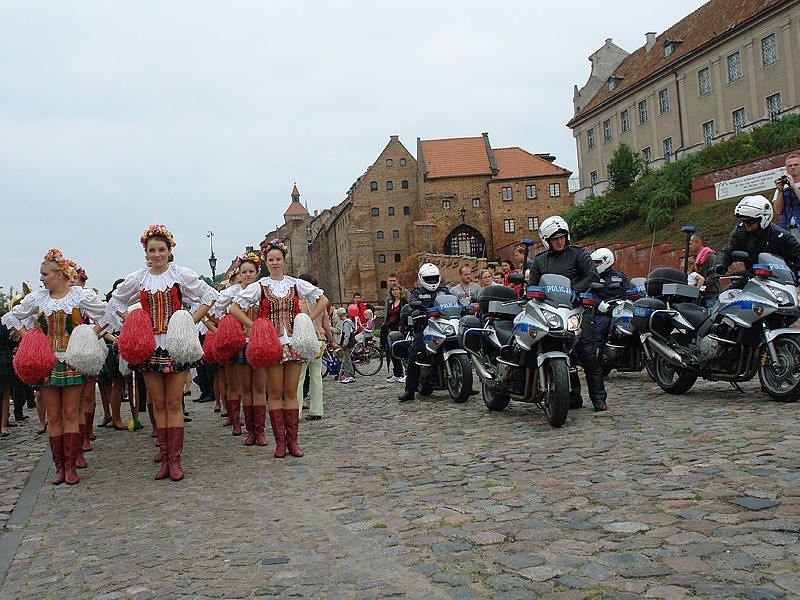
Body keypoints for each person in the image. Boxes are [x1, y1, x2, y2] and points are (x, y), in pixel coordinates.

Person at [105, 225, 217, 481]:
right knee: (158, 403)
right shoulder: (139, 278)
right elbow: (116, 302)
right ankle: (165, 457)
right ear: (146, 253)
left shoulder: (180, 275)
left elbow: (208, 295)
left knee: (174, 402)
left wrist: (189, 320)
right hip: (150, 346)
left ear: (169, 251)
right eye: (152, 250)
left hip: (175, 344)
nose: (157, 254)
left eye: (161, 249)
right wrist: (135, 321)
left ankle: (175, 461)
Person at [2, 249, 110, 484]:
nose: (41, 279)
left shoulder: (79, 296)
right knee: (54, 415)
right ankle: (59, 467)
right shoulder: (38, 299)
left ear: (60, 274)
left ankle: (71, 466)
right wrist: (29, 338)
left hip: (72, 360)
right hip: (47, 362)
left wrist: (88, 336)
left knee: (71, 412)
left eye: (45, 274)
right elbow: (12, 317)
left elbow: (108, 314)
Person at [230, 238, 328, 458]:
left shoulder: (295, 284)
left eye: (278, 259)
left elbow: (323, 300)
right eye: (270, 259)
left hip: (293, 343)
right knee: (274, 392)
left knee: (291, 392)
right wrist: (255, 326)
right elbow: (235, 308)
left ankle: (292, 441)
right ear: (265, 261)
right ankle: (280, 442)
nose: (275, 263)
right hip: (271, 344)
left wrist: (306, 319)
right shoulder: (260, 286)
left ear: (284, 260)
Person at [530, 217, 608, 412]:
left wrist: (574, 291)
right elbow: (533, 286)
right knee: (561, 353)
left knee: (588, 354)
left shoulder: (578, 254)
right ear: (546, 240)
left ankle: (599, 398)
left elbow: (592, 276)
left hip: (577, 310)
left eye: (562, 236)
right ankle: (572, 396)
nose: (559, 241)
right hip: (552, 312)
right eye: (555, 238)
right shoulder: (540, 261)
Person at [713, 195, 800, 280]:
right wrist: (720, 265)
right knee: (726, 294)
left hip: (779, 283)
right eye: (744, 221)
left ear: (764, 219)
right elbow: (728, 250)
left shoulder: (781, 237)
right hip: (752, 279)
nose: (746, 225)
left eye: (750, 221)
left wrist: (792, 277)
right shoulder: (740, 232)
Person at [398, 263, 450, 403]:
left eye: (434, 278)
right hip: (425, 327)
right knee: (414, 354)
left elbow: (454, 301)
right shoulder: (417, 293)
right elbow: (411, 304)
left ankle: (465, 381)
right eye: (429, 278)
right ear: (422, 279)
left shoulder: (444, 291)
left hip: (445, 325)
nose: (432, 281)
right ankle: (409, 390)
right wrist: (414, 311)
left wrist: (463, 306)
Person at [296, 273, 332, 420]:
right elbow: (326, 324)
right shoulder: (318, 302)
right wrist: (330, 339)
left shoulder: (298, 302)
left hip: (303, 340)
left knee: (299, 377)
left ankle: (296, 411)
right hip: (319, 339)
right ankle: (316, 410)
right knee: (316, 376)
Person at [590, 248, 629, 352]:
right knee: (601, 328)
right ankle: (597, 360)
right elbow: (590, 293)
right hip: (603, 312)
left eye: (597, 262)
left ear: (606, 261)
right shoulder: (593, 277)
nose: (595, 265)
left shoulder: (620, 276)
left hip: (621, 310)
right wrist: (599, 304)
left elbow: (628, 292)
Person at [773, 154, 800, 241]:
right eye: (790, 166)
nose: (793, 167)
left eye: (796, 165)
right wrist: (780, 191)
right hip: (787, 230)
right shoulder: (782, 188)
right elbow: (778, 211)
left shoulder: (793, 186)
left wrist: (794, 187)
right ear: (786, 169)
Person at [383, 283, 407, 383]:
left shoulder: (403, 302)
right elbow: (388, 315)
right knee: (393, 352)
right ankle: (397, 372)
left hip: (400, 329)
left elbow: (403, 315)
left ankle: (406, 372)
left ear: (400, 290)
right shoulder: (391, 303)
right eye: (393, 290)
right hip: (391, 331)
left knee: (403, 351)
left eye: (396, 289)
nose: (395, 292)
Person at [689, 233, 719, 307]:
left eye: (691, 244)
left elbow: (714, 275)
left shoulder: (711, 256)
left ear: (698, 243)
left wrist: (700, 283)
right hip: (699, 295)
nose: (689, 247)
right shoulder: (695, 259)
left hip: (710, 295)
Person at [338, 305, 359, 385]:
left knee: (347, 361)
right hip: (350, 343)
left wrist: (344, 344)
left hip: (348, 345)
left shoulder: (346, 323)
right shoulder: (349, 322)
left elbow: (346, 335)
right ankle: (348, 375)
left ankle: (349, 376)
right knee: (347, 360)